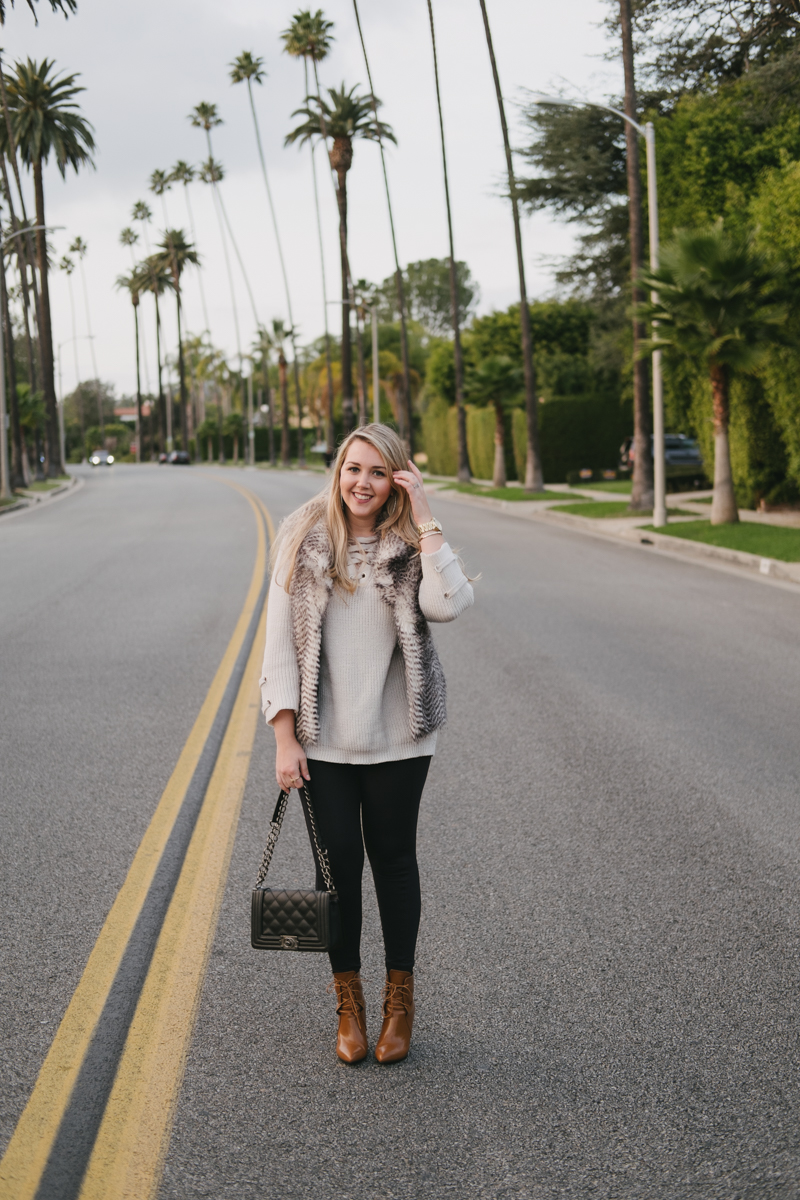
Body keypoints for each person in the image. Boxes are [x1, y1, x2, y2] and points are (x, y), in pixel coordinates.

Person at [259, 424, 474, 1064]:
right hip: (322, 744)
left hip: (399, 737)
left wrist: (429, 519)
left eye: (378, 473)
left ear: (396, 480)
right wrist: (283, 738)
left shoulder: (409, 543)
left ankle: (399, 1004)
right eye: (354, 469)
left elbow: (451, 604)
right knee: (338, 873)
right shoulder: (301, 539)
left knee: (394, 860)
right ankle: (347, 1001)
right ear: (338, 470)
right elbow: (277, 645)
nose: (362, 483)